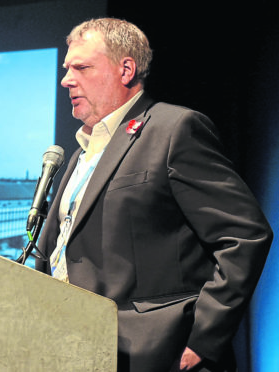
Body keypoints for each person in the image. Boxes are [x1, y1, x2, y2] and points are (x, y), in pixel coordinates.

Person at [35, 18, 273, 372]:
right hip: (80, 350)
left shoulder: (173, 130)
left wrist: (203, 340)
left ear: (126, 69)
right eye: (67, 68)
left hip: (159, 355)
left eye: (81, 67)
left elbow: (244, 235)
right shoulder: (78, 156)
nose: (66, 80)